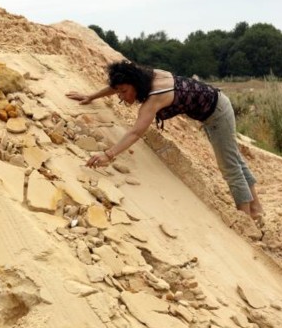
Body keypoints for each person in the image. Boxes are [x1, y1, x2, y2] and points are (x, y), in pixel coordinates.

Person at [66, 60, 263, 220]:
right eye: (119, 92)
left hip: (217, 114)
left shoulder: (154, 98)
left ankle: (245, 217)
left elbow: (135, 132)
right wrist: (91, 96)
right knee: (234, 160)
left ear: (135, 85)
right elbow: (117, 85)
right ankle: (256, 208)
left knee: (229, 167)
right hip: (215, 107)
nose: (121, 96)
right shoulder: (147, 76)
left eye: (124, 92)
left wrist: (109, 154)